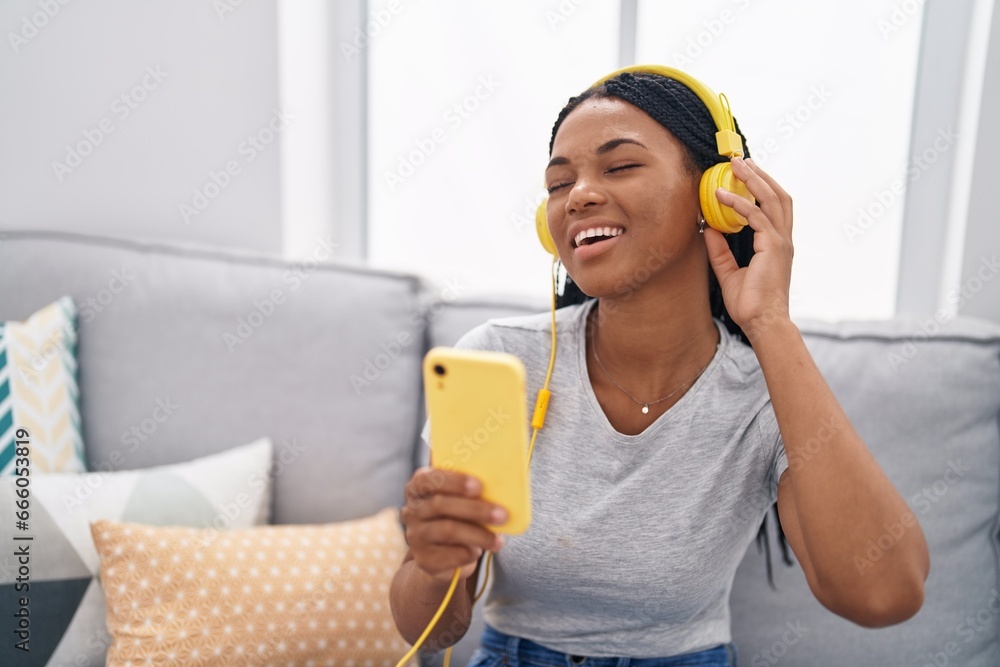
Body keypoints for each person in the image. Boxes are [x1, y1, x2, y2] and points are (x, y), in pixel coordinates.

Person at [390, 66, 930, 666]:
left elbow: (884, 595)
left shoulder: (768, 391)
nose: (579, 197)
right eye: (559, 183)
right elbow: (431, 631)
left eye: (619, 166)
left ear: (716, 196)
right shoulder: (499, 360)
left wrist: (771, 323)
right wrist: (437, 566)